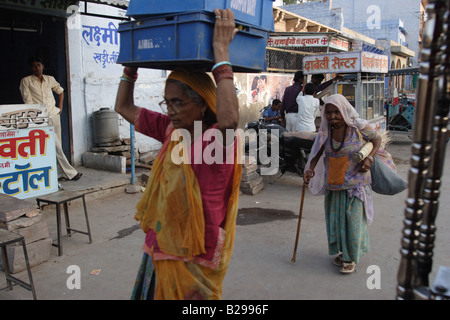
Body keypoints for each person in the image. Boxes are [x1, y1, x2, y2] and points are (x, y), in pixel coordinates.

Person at [115, 9, 242, 300]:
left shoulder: (217, 142)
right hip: (163, 242)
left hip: (197, 254)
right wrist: (130, 67)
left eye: (178, 102)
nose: (170, 109)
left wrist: (221, 53)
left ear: (202, 104)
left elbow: (230, 121)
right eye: (166, 102)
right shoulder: (171, 130)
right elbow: (124, 108)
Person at [303, 94, 381, 274]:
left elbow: (377, 140)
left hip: (355, 185)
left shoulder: (358, 127)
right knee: (337, 222)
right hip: (335, 184)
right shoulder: (326, 131)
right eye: (328, 113)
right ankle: (345, 252)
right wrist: (310, 168)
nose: (332, 116)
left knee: (353, 222)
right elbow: (317, 151)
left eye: (336, 112)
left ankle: (351, 258)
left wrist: (369, 158)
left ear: (344, 111)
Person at [19, 57, 82, 181]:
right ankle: (71, 173)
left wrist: (60, 107)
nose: (36, 68)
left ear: (42, 66)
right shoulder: (26, 81)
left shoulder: (49, 79)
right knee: (55, 145)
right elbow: (28, 101)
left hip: (54, 114)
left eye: (38, 65)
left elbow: (60, 91)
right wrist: (36, 116)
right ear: (30, 68)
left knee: (58, 145)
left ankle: (58, 174)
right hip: (39, 118)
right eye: (33, 66)